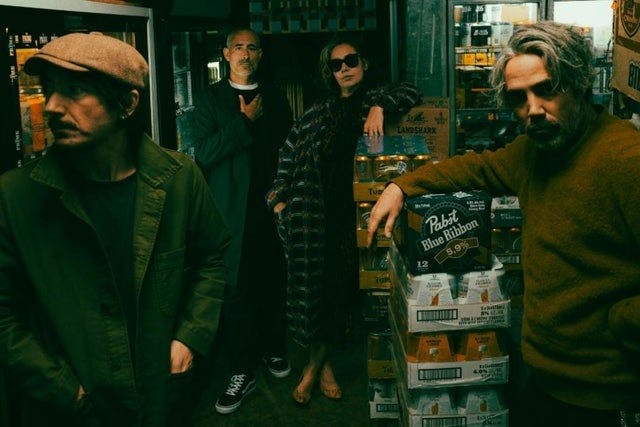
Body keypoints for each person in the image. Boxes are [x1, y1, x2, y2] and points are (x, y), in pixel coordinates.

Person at [367, 21, 640, 427]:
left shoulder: (625, 159)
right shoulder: (534, 152)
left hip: (603, 397)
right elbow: (477, 168)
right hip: (543, 377)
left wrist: (622, 324)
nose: (533, 109)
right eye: (518, 98)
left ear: (579, 83)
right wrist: (400, 185)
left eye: (547, 89)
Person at [0, 32, 230, 426]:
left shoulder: (179, 179)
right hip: (69, 412)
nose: (52, 106)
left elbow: (211, 258)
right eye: (49, 88)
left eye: (75, 90)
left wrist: (189, 338)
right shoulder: (15, 196)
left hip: (161, 399)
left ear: (127, 103)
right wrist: (64, 389)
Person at [266, 36, 421, 405]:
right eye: (336, 65)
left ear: (363, 63)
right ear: (330, 73)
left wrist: (379, 106)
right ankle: (323, 368)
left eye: (351, 60)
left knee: (339, 291)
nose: (345, 69)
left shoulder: (377, 98)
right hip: (313, 216)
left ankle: (313, 369)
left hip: (358, 216)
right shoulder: (318, 111)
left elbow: (412, 92)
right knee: (315, 294)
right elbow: (288, 151)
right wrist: (279, 199)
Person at [190, 27, 293, 414]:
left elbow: (289, 149)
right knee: (236, 289)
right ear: (225, 53)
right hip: (230, 211)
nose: (245, 54)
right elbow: (205, 153)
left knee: (273, 278)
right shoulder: (210, 100)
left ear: (260, 55)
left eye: (252, 48)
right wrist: (245, 122)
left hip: (271, 208)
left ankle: (273, 348)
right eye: (238, 47)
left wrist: (287, 196)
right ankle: (241, 369)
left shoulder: (275, 96)